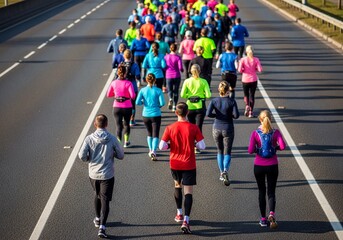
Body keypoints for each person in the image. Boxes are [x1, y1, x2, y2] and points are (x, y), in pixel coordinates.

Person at [159, 102, 206, 234]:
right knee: (188, 192)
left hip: (175, 163)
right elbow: (202, 146)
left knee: (177, 186)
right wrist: (194, 143)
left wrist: (170, 146)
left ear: (176, 113)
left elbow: (161, 146)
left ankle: (179, 213)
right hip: (189, 163)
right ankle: (186, 220)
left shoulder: (170, 128)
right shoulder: (193, 127)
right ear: (187, 113)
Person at [78, 114, 124, 238]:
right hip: (107, 174)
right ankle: (102, 227)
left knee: (97, 195)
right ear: (107, 124)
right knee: (105, 200)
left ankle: (98, 218)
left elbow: (81, 156)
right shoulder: (113, 138)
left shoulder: (89, 139)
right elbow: (121, 155)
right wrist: (112, 153)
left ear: (95, 124)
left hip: (93, 174)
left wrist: (89, 158)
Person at [248, 110, 286, 229]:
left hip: (259, 166)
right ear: (270, 119)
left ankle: (263, 219)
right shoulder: (275, 132)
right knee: (271, 191)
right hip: (272, 165)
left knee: (261, 191)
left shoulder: (255, 133)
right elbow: (283, 146)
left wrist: (257, 150)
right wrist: (274, 148)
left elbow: (250, 150)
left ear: (260, 119)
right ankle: (272, 214)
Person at [206, 81, 239, 186]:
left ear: (219, 90)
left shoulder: (214, 101)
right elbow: (236, 115)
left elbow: (208, 114)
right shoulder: (232, 102)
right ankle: (225, 170)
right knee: (227, 151)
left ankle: (221, 173)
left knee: (219, 150)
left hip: (216, 128)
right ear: (228, 90)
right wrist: (230, 116)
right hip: (228, 127)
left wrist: (217, 115)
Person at [180, 64, 211, 153]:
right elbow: (208, 95)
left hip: (190, 106)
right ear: (200, 71)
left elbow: (182, 95)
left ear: (190, 71)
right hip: (200, 106)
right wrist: (202, 95)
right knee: (198, 127)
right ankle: (198, 145)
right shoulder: (203, 81)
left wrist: (189, 96)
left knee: (191, 126)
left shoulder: (187, 81)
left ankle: (192, 145)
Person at [136, 73, 165, 160]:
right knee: (155, 134)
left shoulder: (143, 90)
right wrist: (158, 106)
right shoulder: (158, 90)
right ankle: (154, 151)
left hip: (146, 114)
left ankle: (150, 150)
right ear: (155, 80)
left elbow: (137, 102)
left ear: (146, 80)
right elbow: (162, 103)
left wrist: (143, 103)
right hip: (156, 114)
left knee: (149, 133)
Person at [106, 65, 136, 147]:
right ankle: (126, 141)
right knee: (126, 124)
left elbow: (108, 94)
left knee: (119, 126)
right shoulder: (128, 83)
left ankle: (118, 143)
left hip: (117, 106)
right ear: (125, 73)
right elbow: (133, 96)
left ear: (117, 73)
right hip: (127, 106)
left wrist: (116, 94)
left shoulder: (114, 83)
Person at [238, 45, 262, 118]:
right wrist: (255, 69)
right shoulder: (256, 59)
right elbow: (260, 69)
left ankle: (247, 105)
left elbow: (239, 70)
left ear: (246, 52)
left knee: (246, 95)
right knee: (252, 95)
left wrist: (243, 70)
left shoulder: (242, 60)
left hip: (245, 79)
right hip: (253, 80)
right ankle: (251, 112)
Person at [122, 49, 141, 126]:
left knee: (124, 103)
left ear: (124, 56)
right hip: (133, 86)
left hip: (123, 87)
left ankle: (125, 117)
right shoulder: (135, 65)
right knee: (132, 104)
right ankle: (131, 120)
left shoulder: (121, 64)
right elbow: (138, 76)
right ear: (131, 56)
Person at [165, 43, 184, 111]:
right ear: (176, 49)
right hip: (176, 75)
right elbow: (180, 67)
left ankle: (170, 98)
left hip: (168, 75)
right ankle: (174, 105)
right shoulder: (178, 57)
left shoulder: (166, 57)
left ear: (170, 48)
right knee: (176, 91)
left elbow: (164, 66)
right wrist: (182, 70)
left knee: (170, 90)